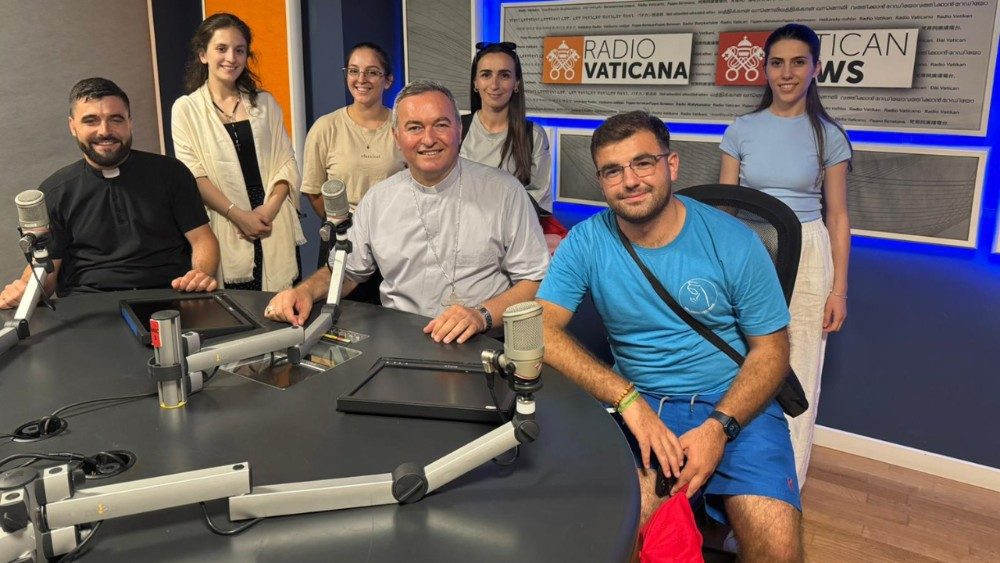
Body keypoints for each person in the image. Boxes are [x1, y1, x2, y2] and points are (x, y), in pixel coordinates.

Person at [538, 111, 801, 562]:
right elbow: (539, 329)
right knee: (607, 540)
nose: (630, 181)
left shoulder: (733, 241)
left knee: (777, 551)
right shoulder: (585, 242)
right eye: (613, 171)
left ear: (671, 165)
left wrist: (719, 428)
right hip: (644, 403)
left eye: (643, 163)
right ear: (601, 182)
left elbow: (772, 350)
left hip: (735, 405)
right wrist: (626, 399)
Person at [265, 81, 549, 345]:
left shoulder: (505, 193)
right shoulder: (377, 200)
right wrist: (303, 292)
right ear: (397, 138)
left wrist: (481, 315)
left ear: (459, 132)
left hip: (481, 343)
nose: (429, 139)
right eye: (414, 128)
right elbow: (345, 272)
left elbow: (535, 280)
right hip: (399, 343)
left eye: (441, 125)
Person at [719, 23, 852, 488]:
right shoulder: (741, 130)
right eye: (777, 63)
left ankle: (785, 484)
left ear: (816, 68)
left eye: (798, 62)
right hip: (749, 246)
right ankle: (735, 474)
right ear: (765, 69)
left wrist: (839, 290)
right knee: (742, 356)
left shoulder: (828, 136)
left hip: (809, 252)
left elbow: (838, 216)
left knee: (800, 362)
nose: (787, 73)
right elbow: (725, 207)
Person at [0, 78, 219, 307]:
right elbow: (47, 272)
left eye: (116, 119)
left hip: (170, 298)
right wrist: (25, 289)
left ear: (130, 122)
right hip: (87, 307)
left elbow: (203, 239)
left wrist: (200, 273)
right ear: (73, 126)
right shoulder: (55, 191)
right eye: (91, 121)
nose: (104, 131)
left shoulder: (171, 173)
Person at [172, 12, 303, 292]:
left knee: (281, 307)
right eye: (221, 48)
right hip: (225, 219)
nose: (231, 58)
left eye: (239, 50)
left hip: (271, 218)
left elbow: (287, 162)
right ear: (203, 54)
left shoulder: (265, 103)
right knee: (237, 308)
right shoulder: (186, 109)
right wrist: (239, 215)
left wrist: (267, 211)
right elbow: (194, 175)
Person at [459, 41, 566, 252]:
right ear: (475, 82)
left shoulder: (533, 135)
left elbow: (538, 198)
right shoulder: (456, 129)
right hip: (461, 235)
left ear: (516, 83)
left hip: (513, 239)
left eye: (504, 75)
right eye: (486, 74)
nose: (494, 84)